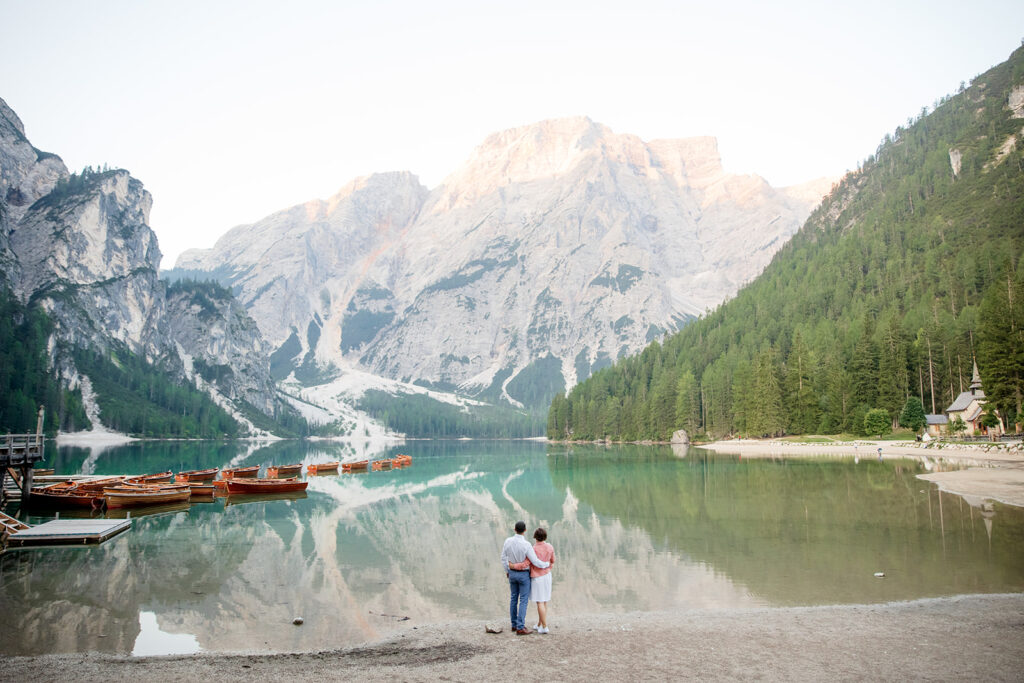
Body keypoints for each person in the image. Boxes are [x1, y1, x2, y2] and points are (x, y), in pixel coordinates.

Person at [500, 520, 549, 635]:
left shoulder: (507, 541)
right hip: (523, 575)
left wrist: (507, 570)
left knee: (513, 598)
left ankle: (513, 624)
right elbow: (535, 561)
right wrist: (546, 564)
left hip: (512, 573)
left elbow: (503, 558)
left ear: (515, 530)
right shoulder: (526, 545)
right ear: (525, 531)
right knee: (523, 600)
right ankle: (520, 627)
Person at [528, 527, 554, 634]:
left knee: (539, 602)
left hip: (537, 577)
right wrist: (548, 567)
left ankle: (544, 626)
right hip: (547, 575)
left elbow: (530, 563)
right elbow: (553, 561)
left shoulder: (533, 548)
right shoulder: (550, 547)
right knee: (544, 601)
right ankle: (539, 623)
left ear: (535, 537)